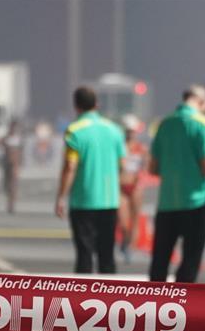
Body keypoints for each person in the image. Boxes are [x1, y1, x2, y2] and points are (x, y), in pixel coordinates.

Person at [149, 84, 205, 282]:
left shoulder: (163, 124)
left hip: (167, 203)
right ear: (201, 102)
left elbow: (153, 168)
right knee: (190, 259)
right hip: (195, 202)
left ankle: (155, 304)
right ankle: (182, 306)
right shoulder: (202, 123)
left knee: (160, 261)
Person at [55, 86, 126, 274]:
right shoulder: (114, 130)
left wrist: (61, 197)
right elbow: (122, 164)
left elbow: (70, 166)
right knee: (107, 255)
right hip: (110, 201)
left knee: (84, 254)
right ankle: (109, 298)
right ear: (97, 104)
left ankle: (83, 299)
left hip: (83, 201)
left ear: (76, 106)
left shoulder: (74, 131)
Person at [118, 115, 148, 263]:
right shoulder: (119, 146)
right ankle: (124, 241)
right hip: (121, 187)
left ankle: (131, 248)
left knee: (135, 220)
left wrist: (140, 178)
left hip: (135, 187)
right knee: (123, 222)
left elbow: (146, 167)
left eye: (133, 131)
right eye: (128, 131)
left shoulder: (141, 148)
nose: (131, 134)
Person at [0, 120, 24, 213]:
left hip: (15, 164)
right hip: (6, 163)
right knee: (6, 184)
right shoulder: (5, 138)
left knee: (13, 184)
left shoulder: (19, 138)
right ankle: (9, 200)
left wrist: (20, 163)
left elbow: (20, 152)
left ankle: (11, 204)